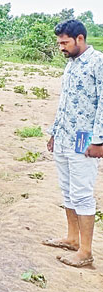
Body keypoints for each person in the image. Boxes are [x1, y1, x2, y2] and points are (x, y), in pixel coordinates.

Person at [43, 19, 103, 268]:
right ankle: (71, 238)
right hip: (65, 138)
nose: (61, 48)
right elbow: (66, 102)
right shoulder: (71, 64)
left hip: (86, 140)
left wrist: (99, 140)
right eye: (59, 43)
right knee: (67, 190)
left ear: (80, 38)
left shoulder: (97, 62)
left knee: (82, 194)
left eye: (65, 42)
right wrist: (54, 132)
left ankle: (86, 251)